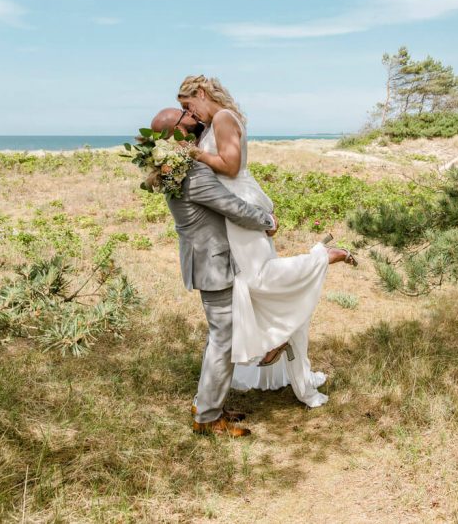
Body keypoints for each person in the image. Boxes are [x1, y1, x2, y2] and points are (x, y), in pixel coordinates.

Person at [177, 75, 355, 409]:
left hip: (237, 204)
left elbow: (230, 167)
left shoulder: (225, 118)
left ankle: (320, 258)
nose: (190, 114)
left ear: (201, 93)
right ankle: (278, 338)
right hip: (230, 211)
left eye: (188, 105)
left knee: (258, 277)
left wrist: (194, 155)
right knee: (249, 284)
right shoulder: (212, 124)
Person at [149, 107, 275, 438]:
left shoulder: (174, 168)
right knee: (224, 339)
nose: (192, 117)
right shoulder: (191, 172)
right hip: (214, 263)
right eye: (184, 116)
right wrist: (268, 221)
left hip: (205, 259)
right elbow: (232, 207)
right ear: (176, 132)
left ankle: (207, 403)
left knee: (218, 337)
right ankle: (207, 417)